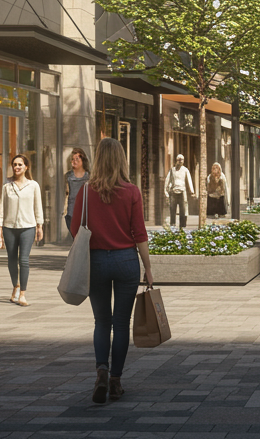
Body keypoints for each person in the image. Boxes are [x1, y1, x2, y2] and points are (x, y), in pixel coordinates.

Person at [70, 137, 152, 404]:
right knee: (121, 324)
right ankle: (116, 380)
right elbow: (139, 233)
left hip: (96, 262)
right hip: (126, 261)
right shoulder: (131, 191)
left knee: (102, 322)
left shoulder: (85, 191)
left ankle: (101, 371)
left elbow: (74, 230)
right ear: (121, 160)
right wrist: (148, 269)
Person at [0, 154, 43, 306]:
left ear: (26, 167)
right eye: (15, 164)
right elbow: (2, 208)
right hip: (9, 227)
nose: (17, 167)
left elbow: (38, 207)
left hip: (28, 227)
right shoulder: (7, 187)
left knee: (24, 260)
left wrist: (40, 226)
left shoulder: (34, 185)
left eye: (20, 164)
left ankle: (22, 294)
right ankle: (16, 285)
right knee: (11, 260)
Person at [164, 154, 195, 228]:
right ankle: (173, 224)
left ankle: (182, 225)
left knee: (183, 209)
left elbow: (189, 180)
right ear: (176, 160)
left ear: (183, 161)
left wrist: (192, 191)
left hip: (182, 191)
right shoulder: (172, 170)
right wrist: (166, 191)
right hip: (173, 192)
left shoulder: (185, 170)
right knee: (172, 209)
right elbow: (167, 180)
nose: (180, 161)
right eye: (179, 160)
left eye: (182, 160)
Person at [65, 147, 89, 231]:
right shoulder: (67, 176)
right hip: (71, 213)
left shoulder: (89, 177)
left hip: (85, 213)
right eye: (72, 159)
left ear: (83, 160)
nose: (74, 161)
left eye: (77, 159)